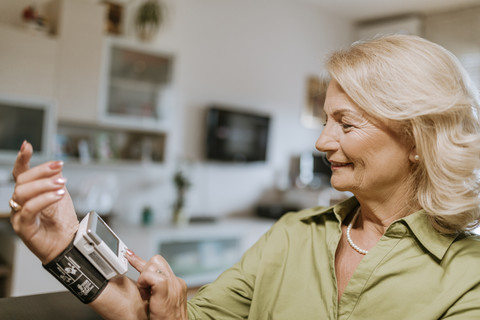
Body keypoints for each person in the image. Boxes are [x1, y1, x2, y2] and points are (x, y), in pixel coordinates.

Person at [8, 34, 480, 319]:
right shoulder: (292, 235)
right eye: (325, 120)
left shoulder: (469, 277)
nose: (321, 142)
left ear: (418, 140)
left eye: (347, 123)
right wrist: (66, 249)